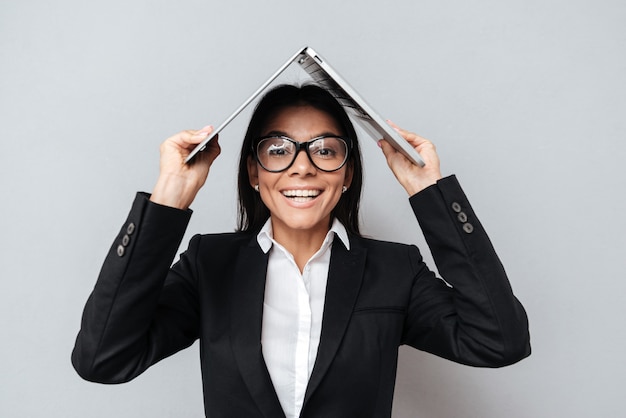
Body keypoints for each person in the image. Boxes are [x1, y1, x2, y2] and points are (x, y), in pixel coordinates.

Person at [72, 84, 530, 418]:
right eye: (278, 150)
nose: (303, 168)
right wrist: (170, 196)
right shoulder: (209, 265)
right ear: (254, 171)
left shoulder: (395, 270)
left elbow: (498, 342)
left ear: (347, 172)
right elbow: (103, 358)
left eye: (325, 151)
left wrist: (428, 192)